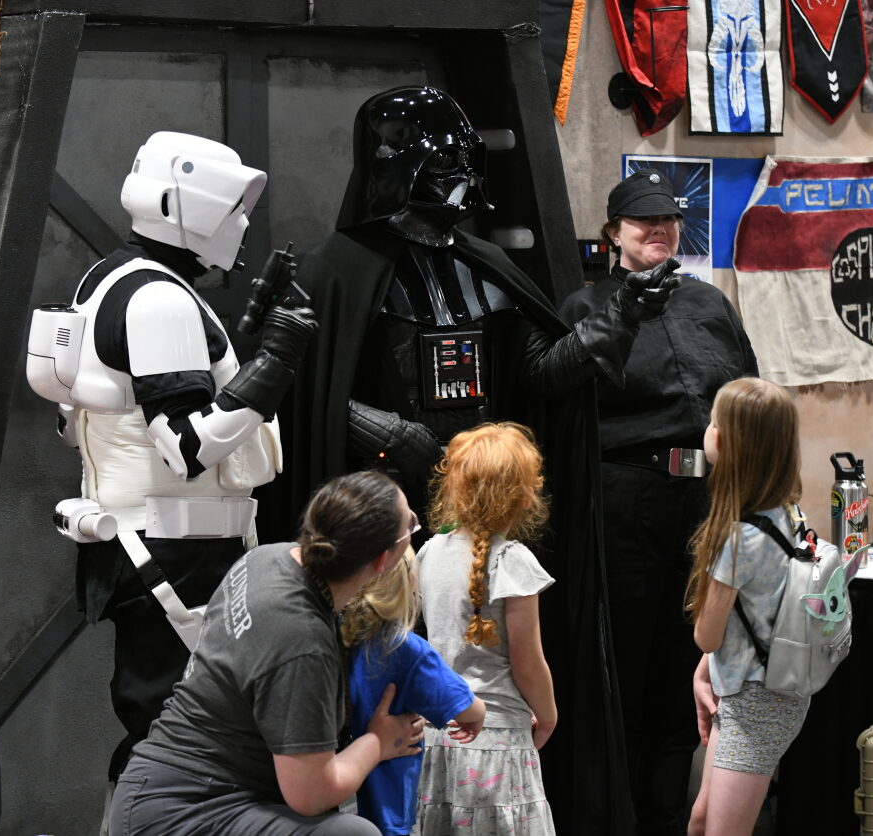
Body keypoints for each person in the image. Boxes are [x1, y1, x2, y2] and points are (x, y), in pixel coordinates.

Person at [268, 84, 627, 833]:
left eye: (464, 170)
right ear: (396, 171)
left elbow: (539, 373)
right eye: (443, 172)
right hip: (384, 517)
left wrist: (614, 322)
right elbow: (305, 396)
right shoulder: (335, 271)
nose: (460, 187)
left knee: (479, 654)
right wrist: (393, 434)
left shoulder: (486, 265)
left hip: (474, 511)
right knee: (380, 669)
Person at [25, 131, 319, 790]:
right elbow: (188, 447)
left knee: (171, 733)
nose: (242, 223)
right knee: (179, 742)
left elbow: (99, 417)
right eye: (232, 207)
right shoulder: (159, 300)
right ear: (187, 206)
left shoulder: (113, 278)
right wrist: (275, 364)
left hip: (156, 544)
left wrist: (243, 355)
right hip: (172, 550)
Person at [557, 168, 758, 836]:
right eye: (644, 220)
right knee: (626, 669)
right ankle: (617, 819)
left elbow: (749, 392)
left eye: (669, 219)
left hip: (707, 503)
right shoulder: (586, 308)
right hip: (626, 502)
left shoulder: (710, 304)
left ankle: (669, 819)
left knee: (689, 666)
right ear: (613, 232)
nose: (660, 230)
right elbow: (558, 396)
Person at [108, 470, 427, 835]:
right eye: (410, 524)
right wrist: (377, 742)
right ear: (384, 560)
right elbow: (311, 795)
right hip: (178, 813)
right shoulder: (303, 642)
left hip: (154, 789)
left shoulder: (267, 558)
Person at [413, 422, 559, 835]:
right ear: (525, 495)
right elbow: (528, 663)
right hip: (499, 744)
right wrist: (549, 717)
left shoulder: (428, 553)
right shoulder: (512, 560)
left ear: (454, 488)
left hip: (439, 737)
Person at [684, 377, 809, 836]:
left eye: (713, 421)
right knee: (701, 820)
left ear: (723, 442)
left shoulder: (737, 541)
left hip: (756, 702)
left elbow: (707, 635)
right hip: (762, 692)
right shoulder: (790, 515)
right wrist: (707, 671)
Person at [341, 549, 487, 835]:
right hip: (387, 803)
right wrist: (478, 715)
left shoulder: (340, 634)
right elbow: (468, 708)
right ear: (409, 583)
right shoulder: (407, 649)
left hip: (338, 792)